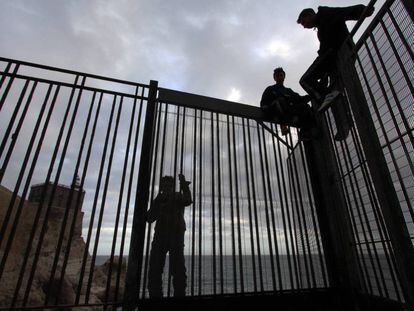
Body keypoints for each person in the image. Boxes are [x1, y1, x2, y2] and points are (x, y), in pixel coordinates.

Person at [297, 4, 375, 113]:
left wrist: (363, 10)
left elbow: (343, 11)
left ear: (310, 15)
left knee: (305, 80)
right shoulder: (321, 25)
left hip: (335, 52)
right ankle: (335, 102)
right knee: (331, 83)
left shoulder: (325, 14)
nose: (305, 26)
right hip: (333, 56)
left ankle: (327, 97)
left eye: (304, 22)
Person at [146, 174, 192, 298]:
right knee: (155, 269)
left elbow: (188, 200)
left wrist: (184, 185)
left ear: (172, 187)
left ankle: (179, 297)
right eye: (164, 185)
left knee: (178, 271)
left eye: (169, 185)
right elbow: (150, 218)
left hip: (176, 237)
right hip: (160, 237)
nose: (166, 187)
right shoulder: (159, 199)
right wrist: (157, 202)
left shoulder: (177, 196)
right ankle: (156, 298)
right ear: (161, 187)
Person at [260, 67, 318, 141]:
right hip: (276, 112)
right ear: (274, 78)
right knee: (279, 101)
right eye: (277, 76)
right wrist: (269, 112)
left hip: (289, 112)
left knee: (305, 106)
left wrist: (311, 95)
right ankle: (284, 124)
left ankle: (305, 131)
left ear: (284, 77)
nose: (279, 77)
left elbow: (299, 99)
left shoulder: (288, 91)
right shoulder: (270, 89)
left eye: (281, 75)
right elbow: (263, 103)